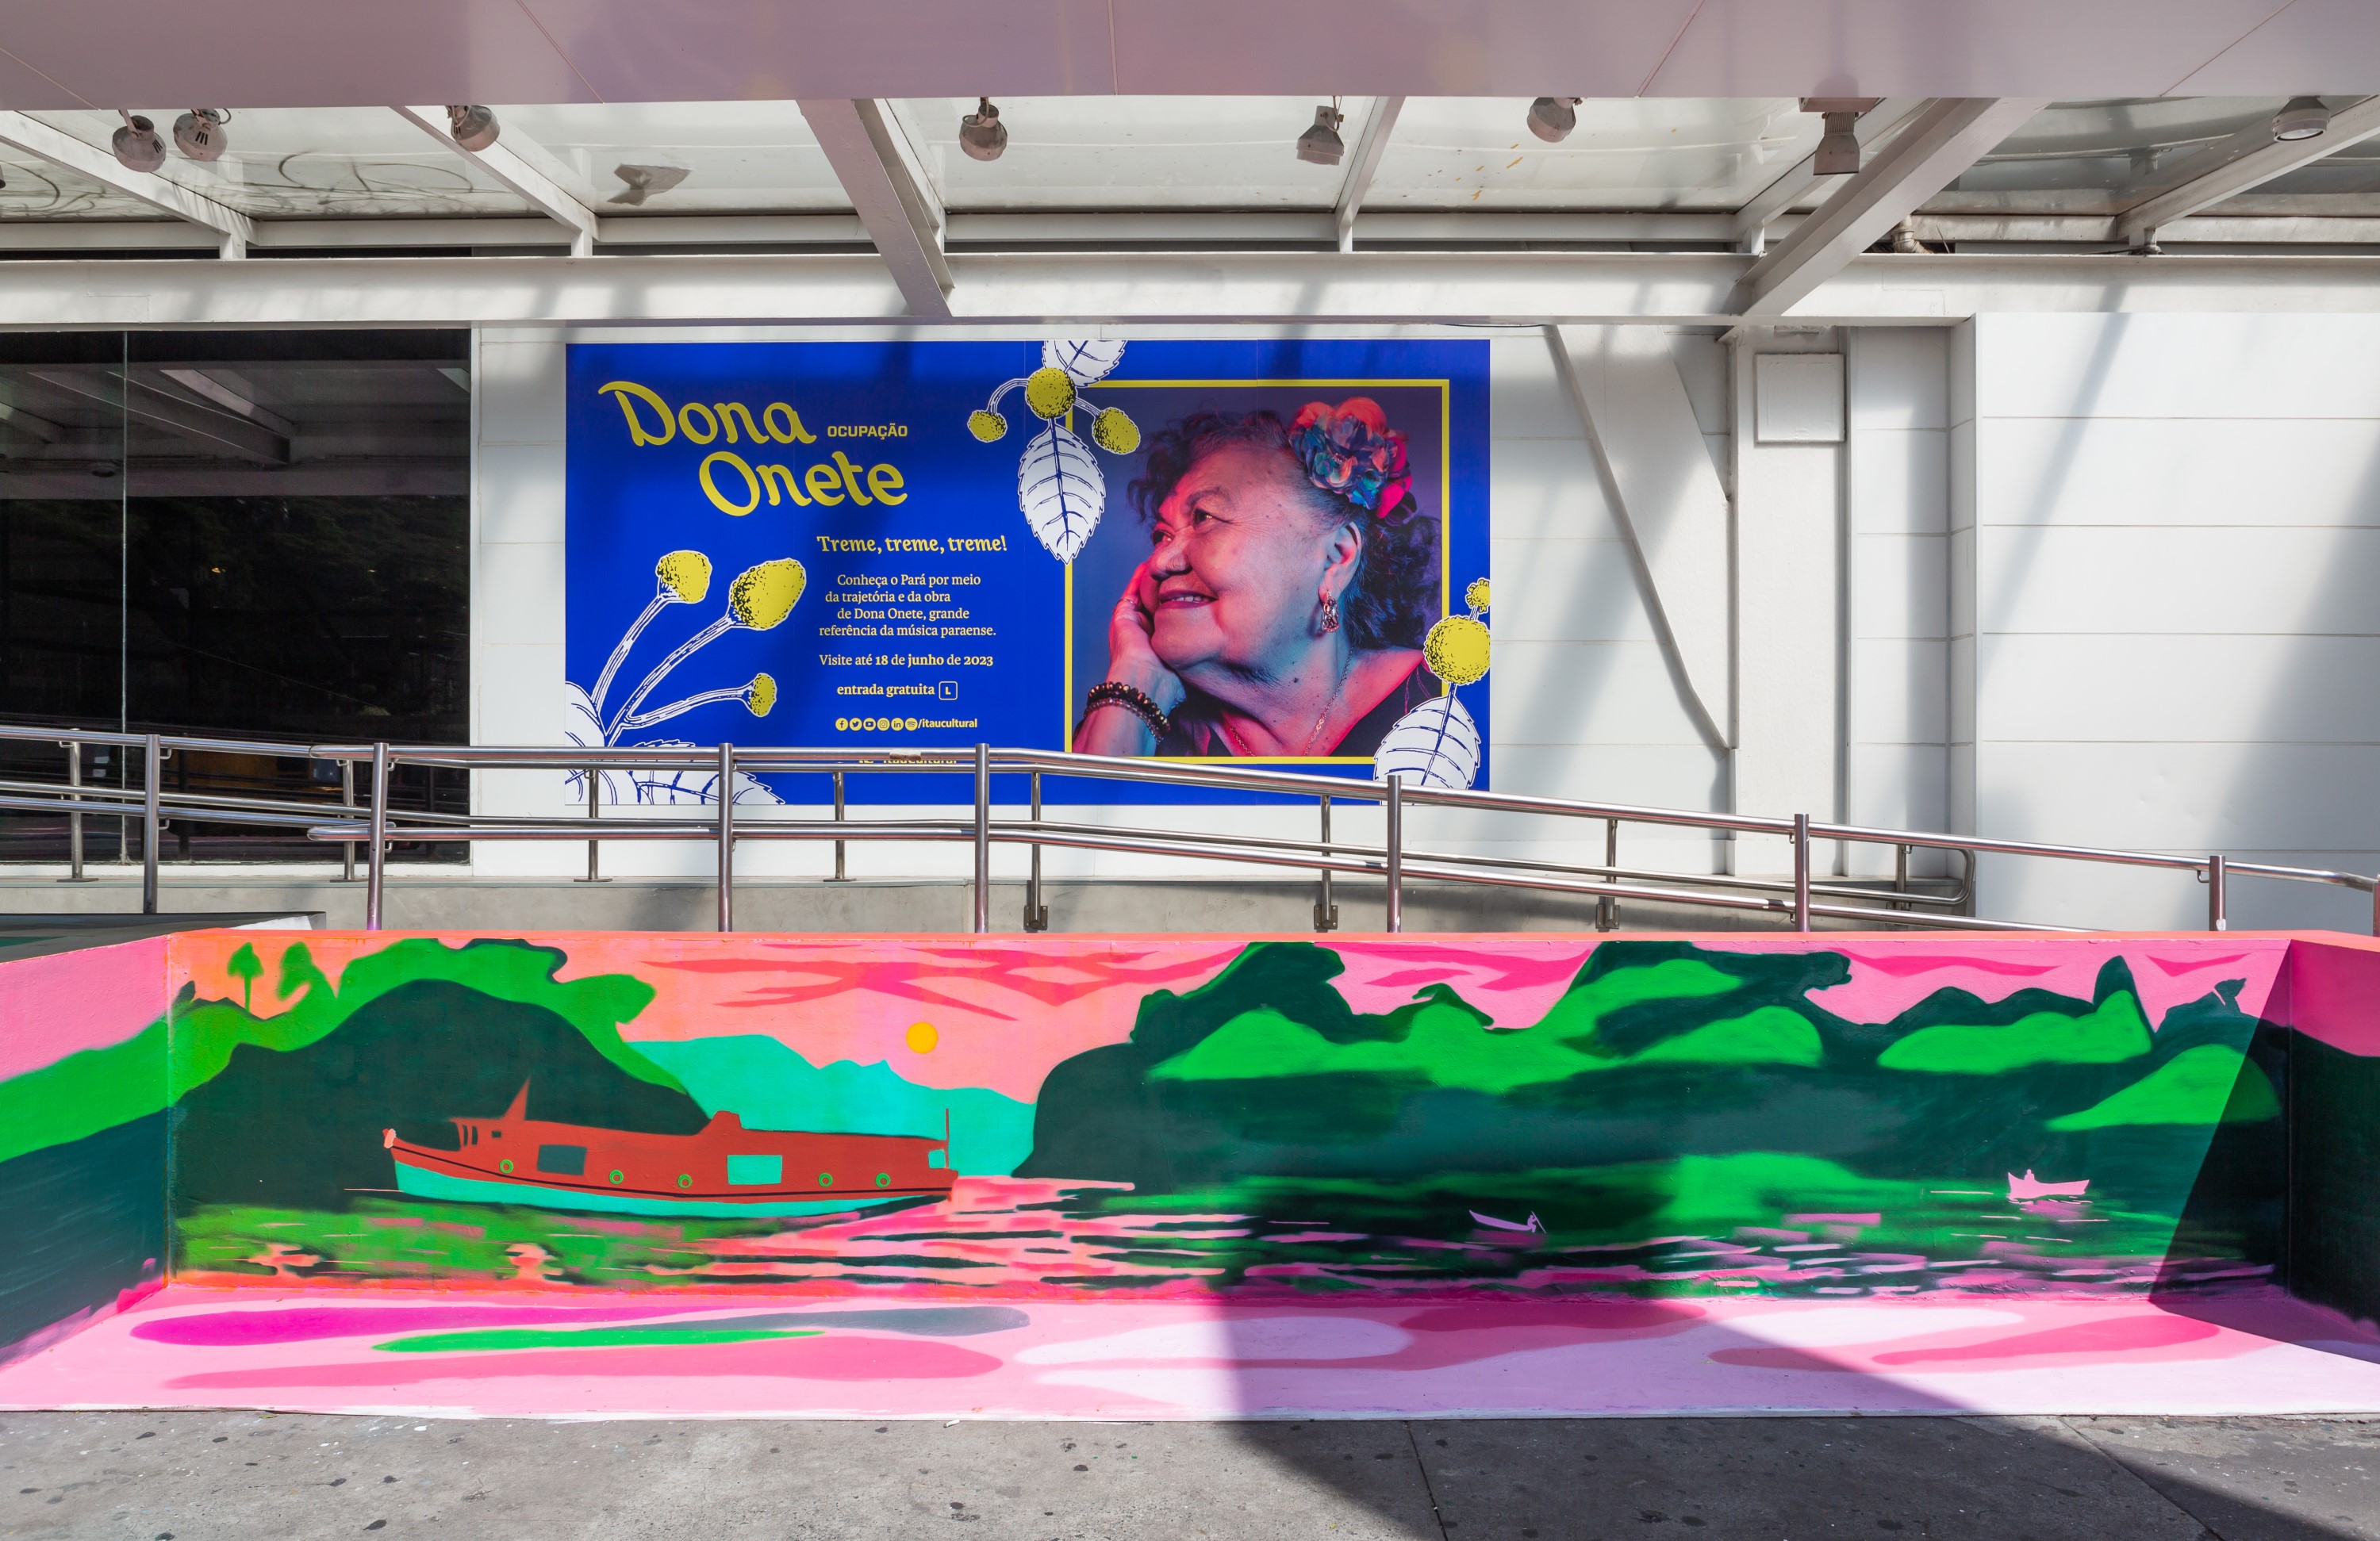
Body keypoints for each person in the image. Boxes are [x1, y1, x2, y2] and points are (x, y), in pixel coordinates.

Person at [1073, 397, 1438, 758]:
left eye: (1204, 517)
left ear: (1335, 558)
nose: (1160, 561)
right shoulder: (1127, 718)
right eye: (1162, 536)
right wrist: (1135, 679)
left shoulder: (1447, 703)